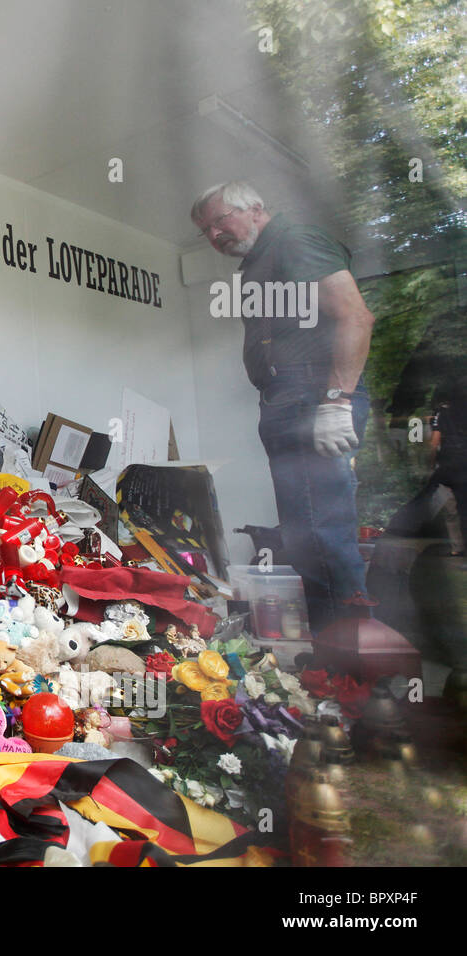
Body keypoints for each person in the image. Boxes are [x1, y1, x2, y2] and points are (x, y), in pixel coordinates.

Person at [191, 182, 377, 633]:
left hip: (312, 398)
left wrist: (336, 402)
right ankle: (331, 660)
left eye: (221, 220)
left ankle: (353, 670)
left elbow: (354, 316)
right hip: (287, 403)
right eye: (206, 231)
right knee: (305, 536)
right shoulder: (261, 260)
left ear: (256, 208)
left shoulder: (294, 241)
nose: (216, 235)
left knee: (322, 534)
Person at [429, 384, 467, 555]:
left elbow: (435, 441)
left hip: (449, 465)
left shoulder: (441, 414)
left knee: (452, 509)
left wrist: (430, 463)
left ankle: (457, 548)